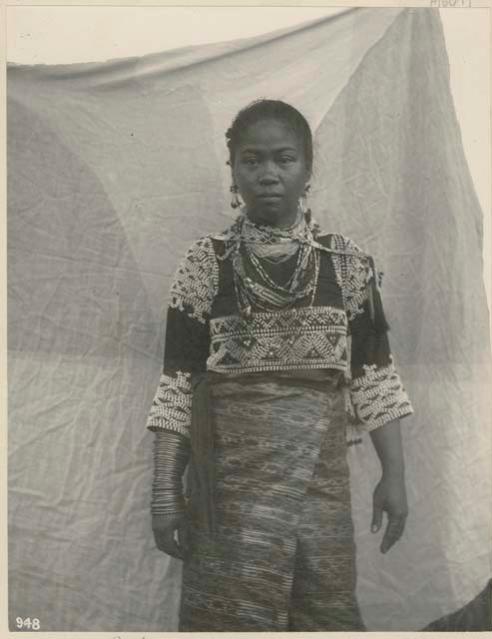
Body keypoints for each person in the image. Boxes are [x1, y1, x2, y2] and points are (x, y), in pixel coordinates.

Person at [146, 99, 414, 631]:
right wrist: (163, 494)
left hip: (322, 488)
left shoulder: (347, 265)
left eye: (284, 159)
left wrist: (396, 477)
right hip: (228, 497)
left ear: (308, 169)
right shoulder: (206, 264)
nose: (268, 174)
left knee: (322, 612)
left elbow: (375, 379)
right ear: (234, 172)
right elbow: (178, 385)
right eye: (252, 160)